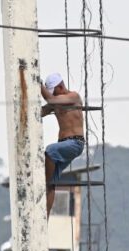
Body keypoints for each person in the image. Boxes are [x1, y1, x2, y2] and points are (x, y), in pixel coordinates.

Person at [41, 73, 85, 216]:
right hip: (63, 146)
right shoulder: (57, 102)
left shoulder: (73, 97)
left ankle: (46, 183)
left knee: (50, 150)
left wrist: (38, 85)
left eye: (55, 91)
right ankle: (44, 218)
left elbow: (51, 99)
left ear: (60, 86)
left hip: (74, 143)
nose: (54, 95)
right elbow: (42, 111)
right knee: (50, 184)